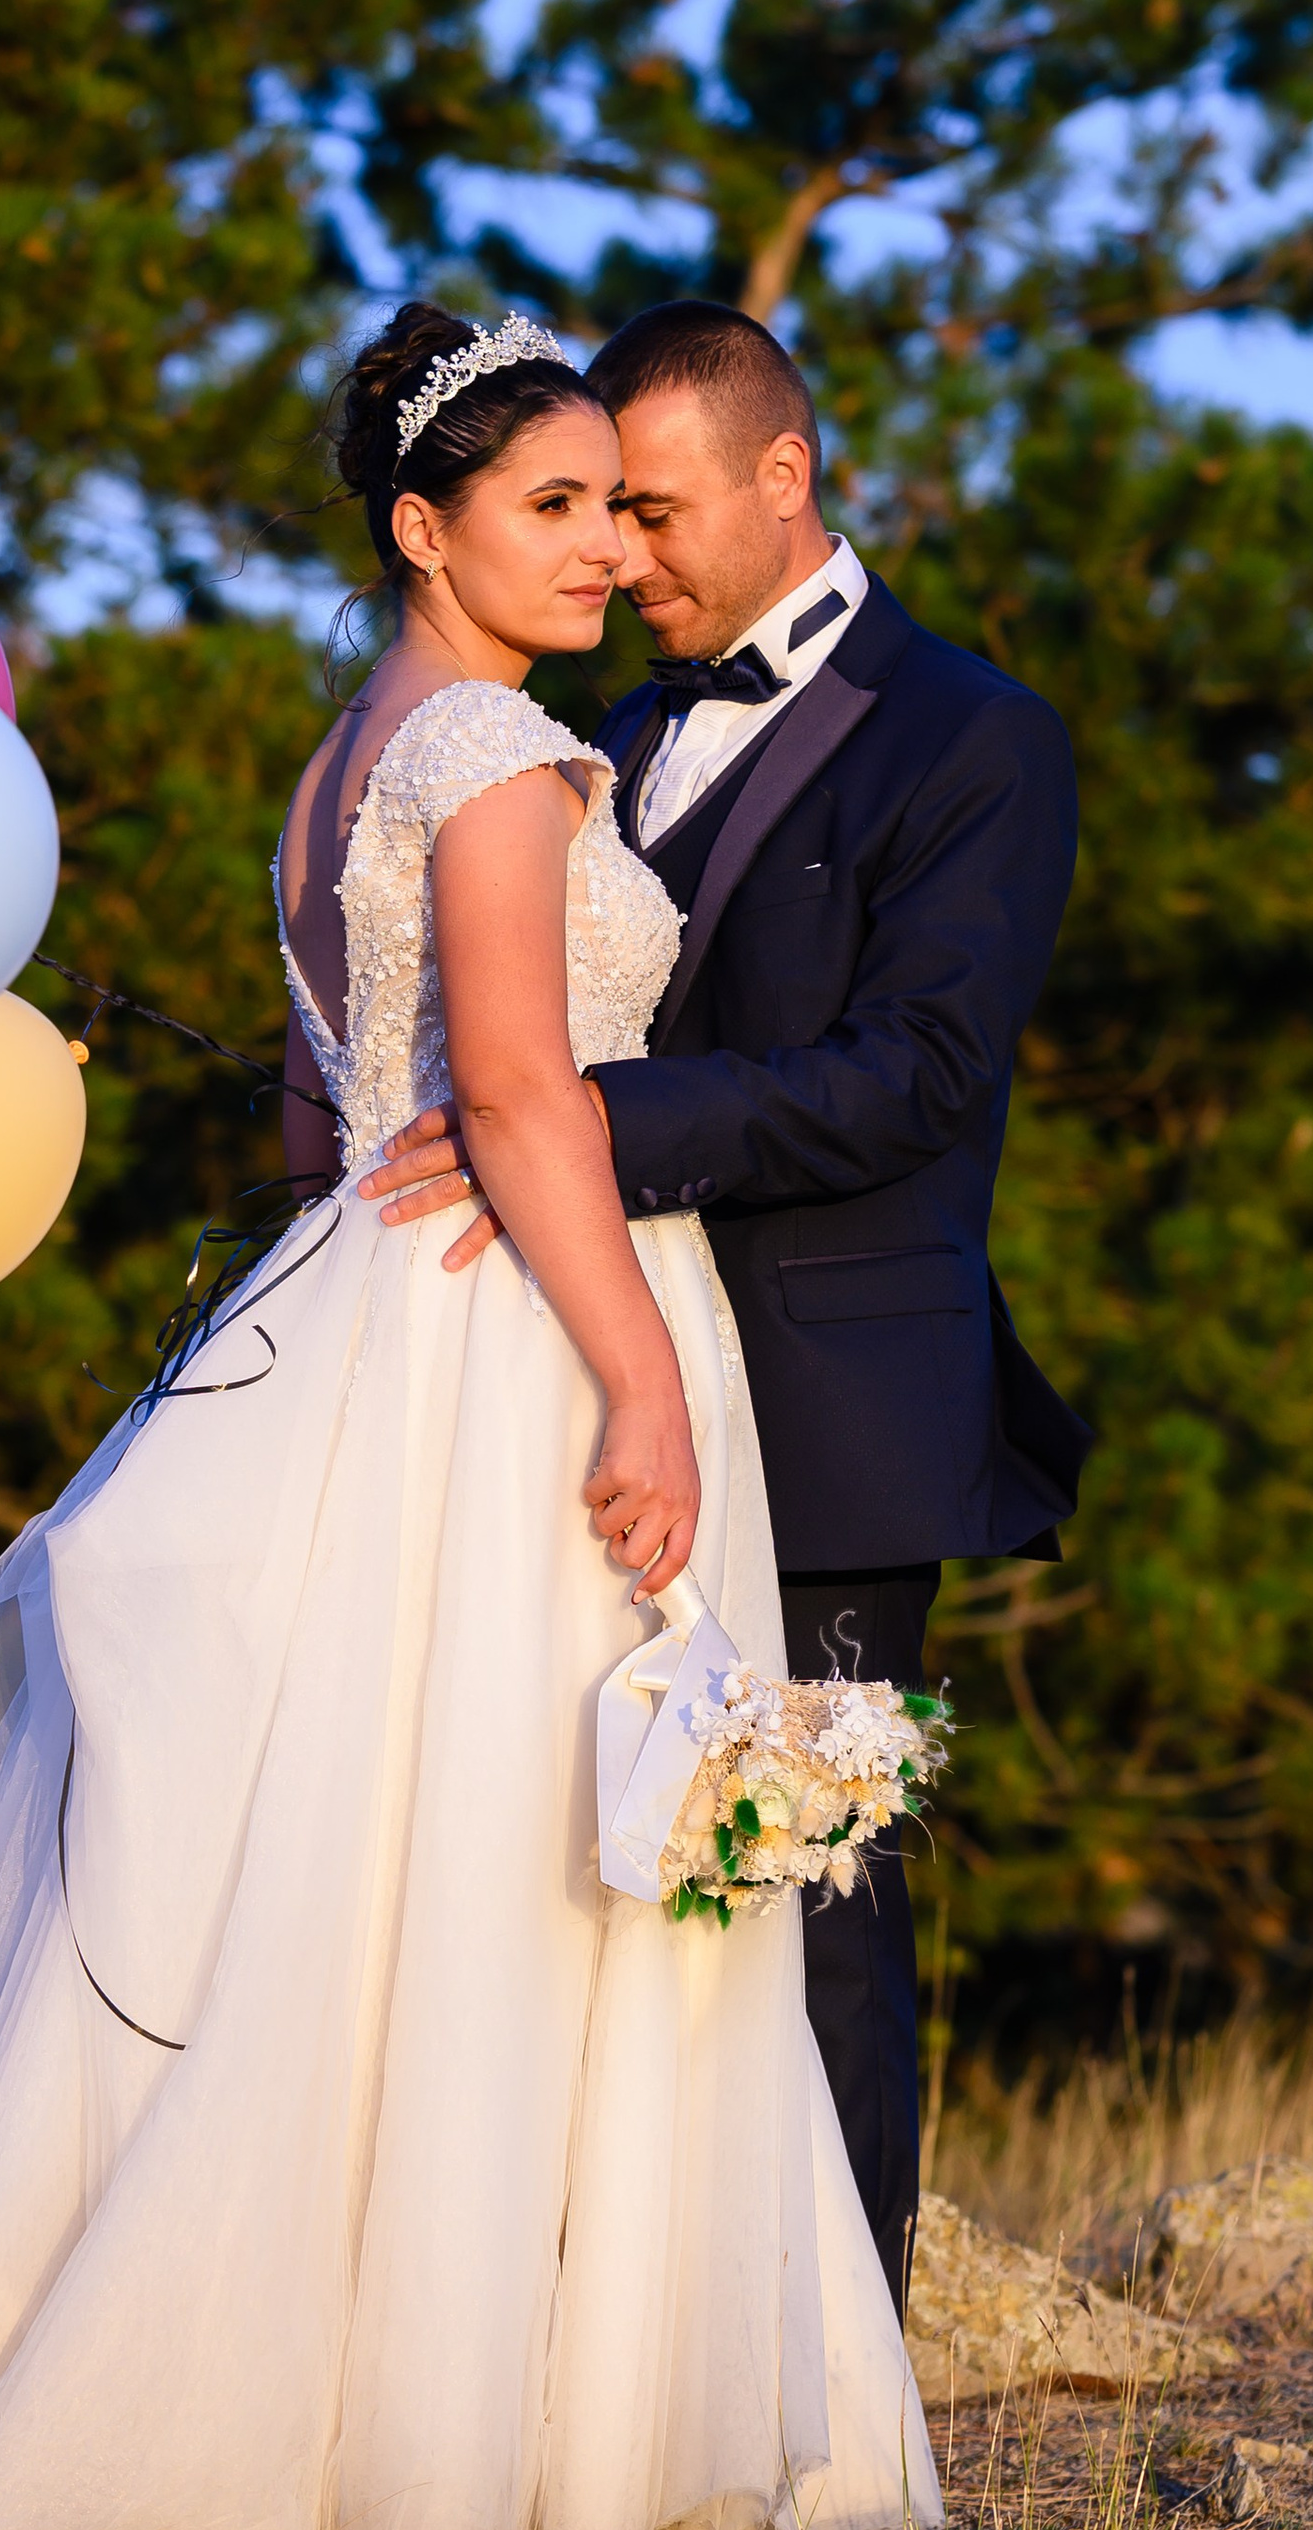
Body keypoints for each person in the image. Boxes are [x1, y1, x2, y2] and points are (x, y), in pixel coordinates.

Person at [0, 302, 939, 2530]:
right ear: (420, 526)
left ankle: (379, 2398)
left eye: (614, 508)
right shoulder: (495, 753)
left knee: (365, 1866)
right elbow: (510, 1098)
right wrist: (632, 1383)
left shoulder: (340, 764)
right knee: (504, 1876)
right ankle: (474, 2434)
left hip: (369, 1311)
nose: (603, 551)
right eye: (548, 508)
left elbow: (329, 1126)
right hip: (522, 1332)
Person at [362, 300, 1088, 2313]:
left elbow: (918, 1073)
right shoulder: (592, 737)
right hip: (578, 1408)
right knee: (586, 1906)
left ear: (786, 475)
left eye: (656, 512)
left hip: (835, 1419)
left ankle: (834, 2407)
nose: (624, 557)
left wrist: (573, 1122)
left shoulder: (974, 736)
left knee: (810, 1898)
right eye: (594, 510)